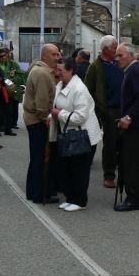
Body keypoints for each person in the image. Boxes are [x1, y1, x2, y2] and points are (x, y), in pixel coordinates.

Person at [49, 57, 102, 212]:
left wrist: (59, 114)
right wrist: (52, 115)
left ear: (71, 70)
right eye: (57, 69)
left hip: (83, 136)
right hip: (68, 134)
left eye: (61, 70)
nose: (58, 73)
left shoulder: (79, 89)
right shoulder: (61, 84)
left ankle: (80, 201)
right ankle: (71, 197)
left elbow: (80, 116)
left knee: (79, 170)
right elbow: (55, 105)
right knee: (67, 168)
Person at [113, 43, 139, 212]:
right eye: (116, 56)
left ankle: (134, 199)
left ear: (130, 55)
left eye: (120, 55)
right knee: (135, 161)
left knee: (131, 161)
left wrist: (129, 117)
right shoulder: (132, 71)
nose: (117, 59)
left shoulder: (135, 71)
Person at [24, 43, 61, 204]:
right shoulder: (42, 73)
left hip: (34, 119)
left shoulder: (41, 71)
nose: (57, 57)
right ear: (45, 55)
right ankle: (39, 193)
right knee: (40, 157)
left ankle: (33, 191)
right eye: (54, 54)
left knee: (37, 157)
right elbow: (41, 102)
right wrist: (46, 118)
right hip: (38, 121)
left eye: (58, 54)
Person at [84, 35, 123, 188]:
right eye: (114, 48)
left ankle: (126, 172)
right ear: (106, 50)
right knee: (111, 144)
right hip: (109, 111)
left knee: (125, 143)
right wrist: (101, 108)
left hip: (124, 109)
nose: (117, 50)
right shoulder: (95, 67)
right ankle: (109, 175)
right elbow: (88, 91)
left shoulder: (119, 63)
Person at [0, 47, 24, 135]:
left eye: (5, 55)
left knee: (11, 108)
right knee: (0, 109)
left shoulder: (13, 64)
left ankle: (10, 125)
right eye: (1, 56)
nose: (3, 57)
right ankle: (1, 125)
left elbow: (21, 76)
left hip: (11, 89)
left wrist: (14, 80)